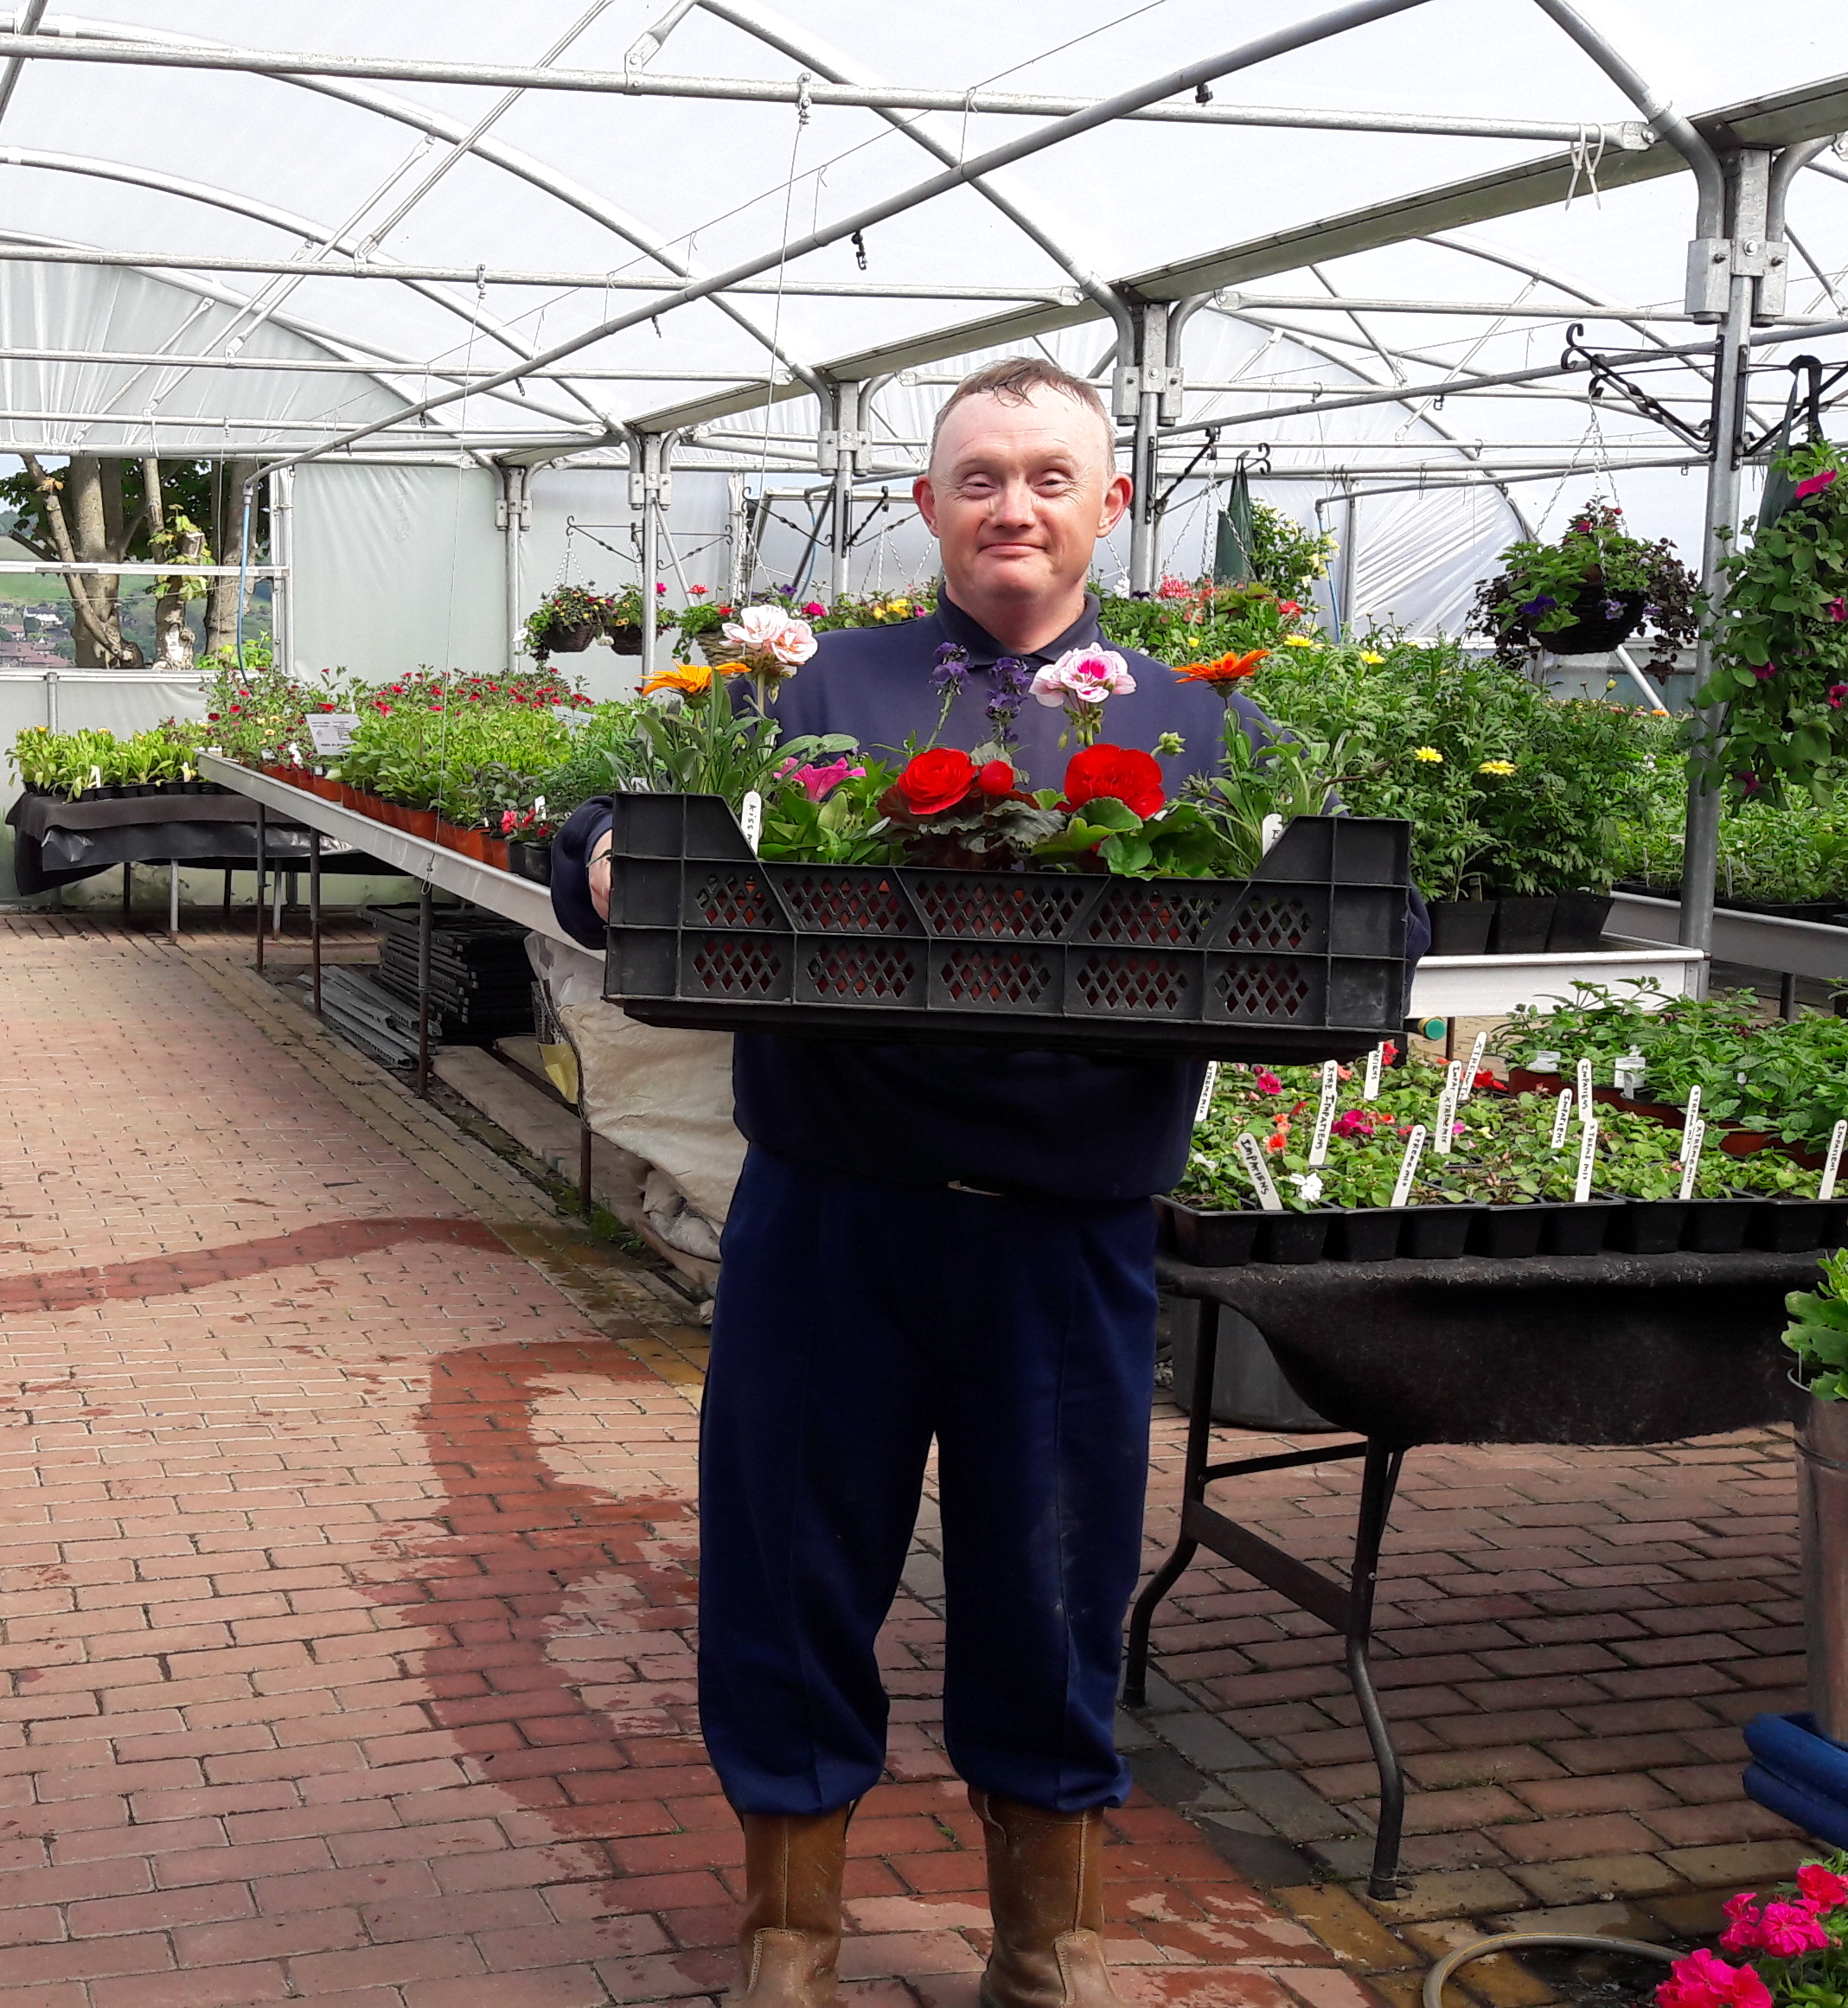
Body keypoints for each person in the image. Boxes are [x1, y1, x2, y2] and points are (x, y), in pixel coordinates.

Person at [547, 358, 1421, 2008]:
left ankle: (1049, 1939)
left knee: (1058, 1567)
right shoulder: (811, 685)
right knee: (790, 1559)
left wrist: (1366, 930)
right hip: (834, 1216)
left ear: (1110, 502)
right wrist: (595, 853)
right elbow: (618, 822)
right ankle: (790, 1931)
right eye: (975, 476)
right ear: (929, 503)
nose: (1011, 504)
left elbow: (1368, 908)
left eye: (1046, 474)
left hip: (1064, 1237)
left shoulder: (1196, 719)